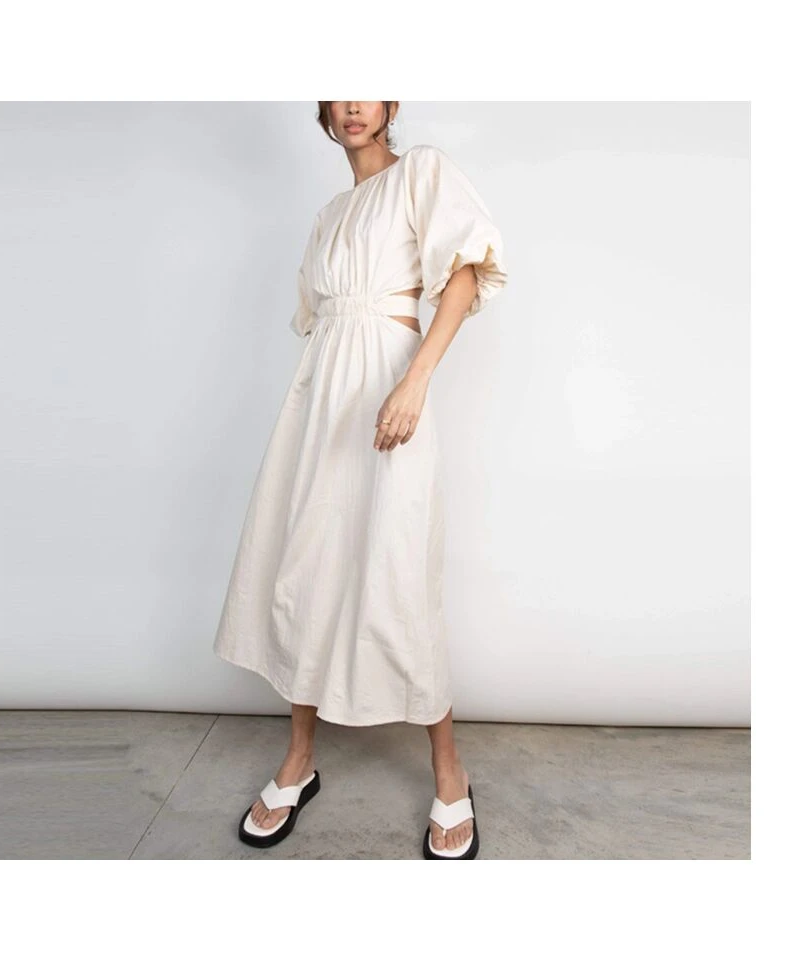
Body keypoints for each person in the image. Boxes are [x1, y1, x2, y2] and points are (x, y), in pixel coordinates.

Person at [213, 101, 508, 859]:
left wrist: (415, 382)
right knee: (306, 568)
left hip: (389, 394)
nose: (352, 104)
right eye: (339, 89)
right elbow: (322, 322)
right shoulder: (328, 216)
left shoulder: (421, 173)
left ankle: (449, 771)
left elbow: (465, 275)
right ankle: (299, 760)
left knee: (398, 573)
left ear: (391, 105)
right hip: (320, 407)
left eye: (368, 88)